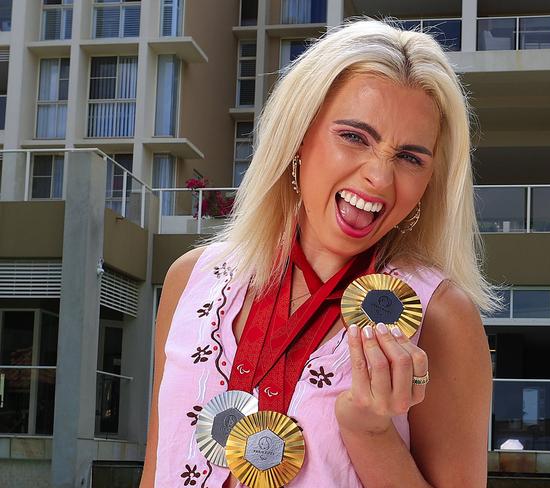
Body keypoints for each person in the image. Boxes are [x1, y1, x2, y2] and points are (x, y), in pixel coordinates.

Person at [141, 18, 501, 488]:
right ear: (299, 135)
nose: (380, 177)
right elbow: (158, 469)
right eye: (354, 136)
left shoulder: (441, 316)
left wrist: (370, 431)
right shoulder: (190, 280)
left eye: (410, 157)